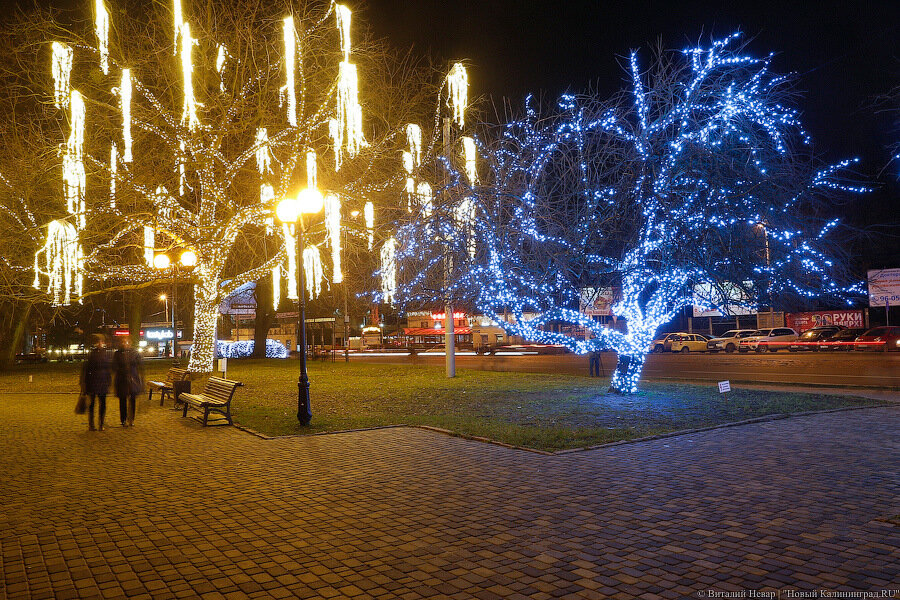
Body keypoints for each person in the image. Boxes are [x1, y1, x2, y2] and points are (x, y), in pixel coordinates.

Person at [81, 334, 111, 431]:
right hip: (93, 381)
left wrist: (109, 380)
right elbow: (86, 369)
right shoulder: (91, 354)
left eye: (101, 341)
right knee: (92, 404)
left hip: (103, 381)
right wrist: (84, 383)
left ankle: (101, 423)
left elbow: (108, 368)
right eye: (98, 341)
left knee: (102, 403)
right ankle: (91, 424)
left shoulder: (106, 353)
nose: (100, 343)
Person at [113, 339, 144, 427]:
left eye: (126, 342)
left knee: (132, 399)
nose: (124, 344)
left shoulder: (134, 353)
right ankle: (123, 419)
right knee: (123, 400)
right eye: (123, 342)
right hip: (122, 379)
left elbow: (140, 365)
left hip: (133, 379)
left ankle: (131, 418)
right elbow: (114, 366)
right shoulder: (117, 353)